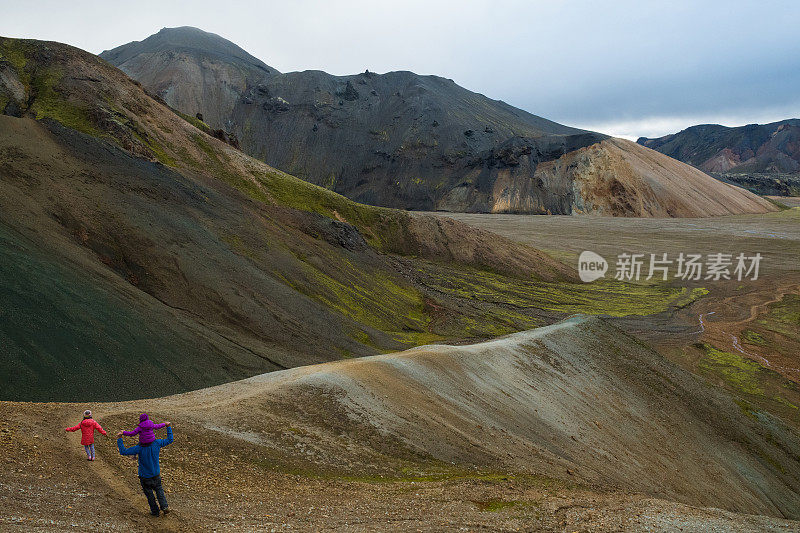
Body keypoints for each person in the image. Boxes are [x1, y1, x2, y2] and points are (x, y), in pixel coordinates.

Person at [117, 422, 174, 516]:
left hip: (144, 476)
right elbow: (170, 440)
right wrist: (168, 427)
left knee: (150, 495)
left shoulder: (139, 448)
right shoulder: (157, 443)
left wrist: (119, 438)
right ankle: (164, 506)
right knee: (159, 490)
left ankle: (155, 512)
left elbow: (123, 452)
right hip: (156, 474)